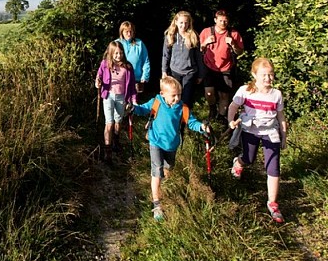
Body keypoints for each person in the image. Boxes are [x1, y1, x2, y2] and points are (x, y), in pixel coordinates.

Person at [129, 76, 210, 221]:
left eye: (179, 94)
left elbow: (191, 122)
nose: (177, 98)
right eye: (173, 95)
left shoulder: (182, 108)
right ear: (162, 94)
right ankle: (157, 203)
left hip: (172, 144)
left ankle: (166, 188)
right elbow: (142, 110)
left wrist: (202, 127)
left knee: (168, 167)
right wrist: (132, 108)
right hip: (156, 141)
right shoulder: (156, 102)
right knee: (157, 169)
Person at [227, 57, 288, 223]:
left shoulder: (276, 95)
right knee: (249, 158)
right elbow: (233, 106)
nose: (268, 79)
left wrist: (283, 135)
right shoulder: (245, 90)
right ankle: (239, 163)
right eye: (264, 75)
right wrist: (231, 120)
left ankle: (273, 203)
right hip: (250, 130)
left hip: (270, 132)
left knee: (273, 167)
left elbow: (281, 116)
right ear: (254, 75)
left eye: (271, 75)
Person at [95, 40, 138, 163]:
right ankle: (108, 152)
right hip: (108, 96)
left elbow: (131, 86)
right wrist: (97, 83)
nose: (118, 56)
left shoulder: (128, 67)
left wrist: (133, 100)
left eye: (120, 53)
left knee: (118, 120)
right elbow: (98, 77)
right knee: (109, 122)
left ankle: (116, 139)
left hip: (121, 97)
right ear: (111, 53)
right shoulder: (105, 64)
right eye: (116, 54)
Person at [200, 9, 244, 123]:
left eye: (225, 21)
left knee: (224, 95)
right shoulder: (206, 32)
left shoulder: (234, 34)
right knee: (209, 92)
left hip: (226, 67)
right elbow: (199, 49)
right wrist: (205, 43)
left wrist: (233, 43)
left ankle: (221, 116)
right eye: (220, 21)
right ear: (215, 20)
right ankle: (212, 109)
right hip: (209, 66)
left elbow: (240, 52)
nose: (223, 23)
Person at [161, 11, 205, 108]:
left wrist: (201, 74)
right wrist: (164, 71)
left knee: (186, 97)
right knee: (174, 95)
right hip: (175, 71)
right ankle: (174, 116)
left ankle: (185, 119)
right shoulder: (170, 35)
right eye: (181, 22)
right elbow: (166, 55)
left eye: (186, 22)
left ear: (189, 23)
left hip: (189, 72)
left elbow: (198, 56)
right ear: (176, 22)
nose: (183, 25)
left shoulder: (193, 36)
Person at [116, 21, 150, 95]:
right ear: (122, 32)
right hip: (120, 79)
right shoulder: (116, 44)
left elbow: (145, 61)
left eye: (131, 31)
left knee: (134, 103)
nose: (129, 34)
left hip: (136, 79)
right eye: (126, 31)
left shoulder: (139, 43)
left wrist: (145, 76)